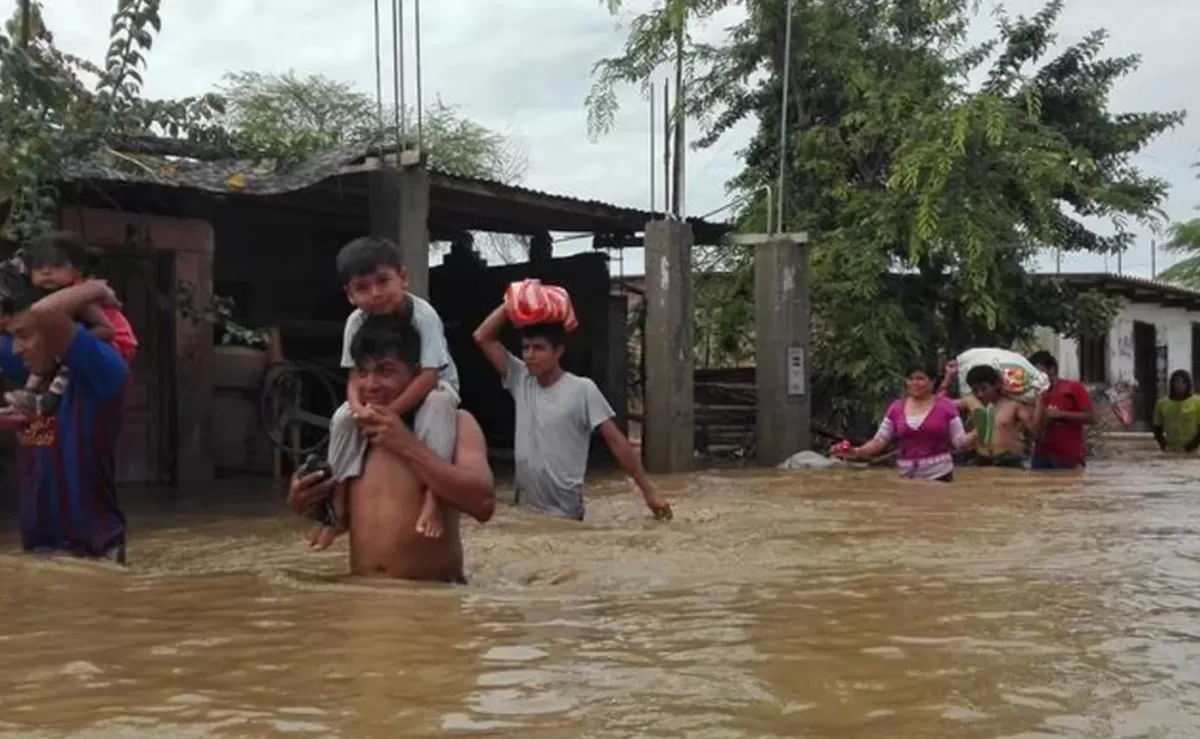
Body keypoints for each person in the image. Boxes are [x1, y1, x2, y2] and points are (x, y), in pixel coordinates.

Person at [287, 313, 494, 582]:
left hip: (432, 606)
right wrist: (302, 502)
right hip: (362, 601)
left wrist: (406, 445)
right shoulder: (354, 432)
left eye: (386, 371)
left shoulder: (458, 423)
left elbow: (484, 504)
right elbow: (341, 519)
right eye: (363, 373)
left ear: (417, 373)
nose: (371, 386)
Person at [317, 236, 460, 547]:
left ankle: (434, 499)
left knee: (438, 403)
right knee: (342, 418)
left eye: (383, 281)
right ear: (350, 295)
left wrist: (388, 415)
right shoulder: (355, 322)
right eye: (363, 288)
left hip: (433, 383)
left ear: (403, 278)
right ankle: (337, 509)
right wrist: (358, 408)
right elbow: (355, 374)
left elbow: (429, 375)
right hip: (381, 391)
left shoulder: (423, 315)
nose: (376, 294)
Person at [473, 304, 672, 521]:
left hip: (565, 512)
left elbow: (617, 442)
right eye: (526, 347)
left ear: (558, 352)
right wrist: (510, 304)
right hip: (524, 510)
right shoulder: (521, 379)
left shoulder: (582, 389)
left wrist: (649, 492)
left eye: (539, 348)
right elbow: (482, 336)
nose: (530, 355)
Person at [0, 275, 130, 563]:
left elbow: (46, 312)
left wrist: (96, 288)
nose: (14, 349)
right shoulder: (33, 374)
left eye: (23, 335)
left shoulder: (100, 373)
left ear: (62, 332)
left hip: (92, 559)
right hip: (38, 558)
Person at [2, 233, 137, 417]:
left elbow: (107, 329)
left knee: (66, 364)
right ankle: (28, 397)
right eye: (39, 267)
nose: (46, 272)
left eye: (57, 266)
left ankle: (47, 399)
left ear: (78, 270)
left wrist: (96, 289)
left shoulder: (81, 297)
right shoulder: (31, 351)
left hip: (111, 343)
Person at [837, 366, 974, 481]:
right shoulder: (896, 408)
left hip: (939, 475)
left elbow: (959, 442)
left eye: (920, 378)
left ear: (932, 382)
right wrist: (857, 451)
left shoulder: (946, 406)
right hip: (907, 476)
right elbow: (879, 441)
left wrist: (978, 432)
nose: (915, 383)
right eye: (911, 379)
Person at [956, 364, 1034, 467]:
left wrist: (1038, 402)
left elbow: (1033, 428)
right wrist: (948, 379)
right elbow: (938, 405)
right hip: (981, 460)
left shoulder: (1013, 404)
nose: (980, 394)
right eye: (975, 390)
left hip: (1009, 461)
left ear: (996, 385)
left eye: (984, 389)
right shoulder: (970, 402)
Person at [1028, 350, 1095, 470]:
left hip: (1068, 457)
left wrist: (1059, 415)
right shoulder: (1035, 394)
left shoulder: (1073, 387)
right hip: (1040, 456)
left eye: (1039, 371)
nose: (1036, 375)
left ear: (1052, 369)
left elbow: (1091, 417)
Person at [1152, 370, 1200, 453]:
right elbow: (1157, 429)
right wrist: (1164, 446)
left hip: (1193, 450)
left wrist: (1188, 448)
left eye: (1182, 382)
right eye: (1176, 382)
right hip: (1171, 450)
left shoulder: (1197, 402)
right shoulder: (1162, 403)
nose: (1179, 385)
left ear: (1187, 384)